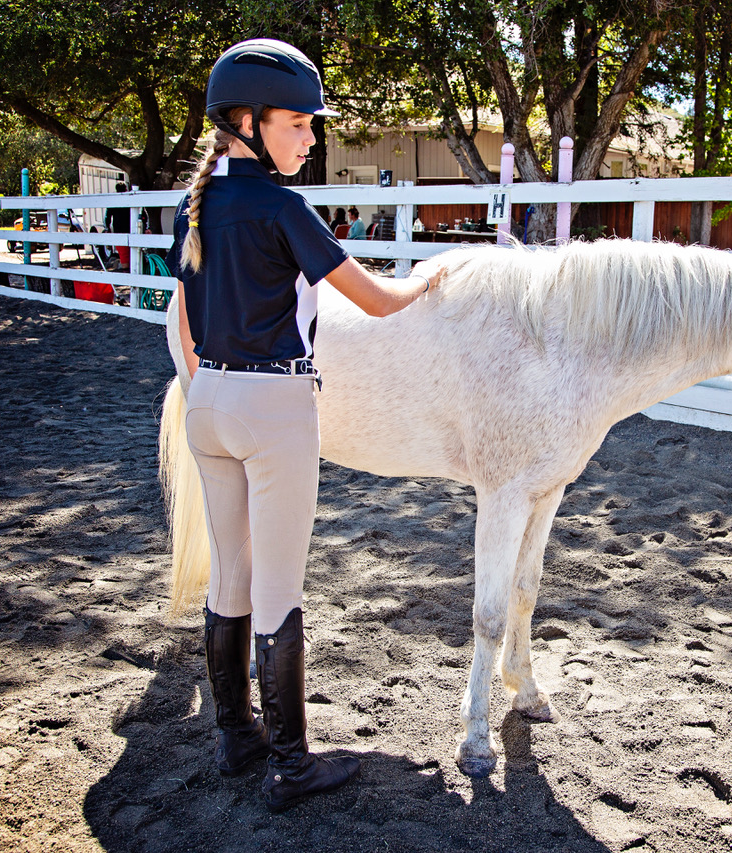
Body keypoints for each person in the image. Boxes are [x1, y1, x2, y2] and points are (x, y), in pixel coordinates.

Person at [166, 38, 442, 814]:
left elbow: (186, 320)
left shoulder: (195, 207)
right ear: (248, 122)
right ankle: (291, 764)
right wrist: (434, 278)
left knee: (230, 575)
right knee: (282, 588)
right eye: (299, 124)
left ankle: (235, 735)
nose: (310, 139)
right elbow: (379, 303)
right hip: (273, 406)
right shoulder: (285, 209)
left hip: (208, 403)